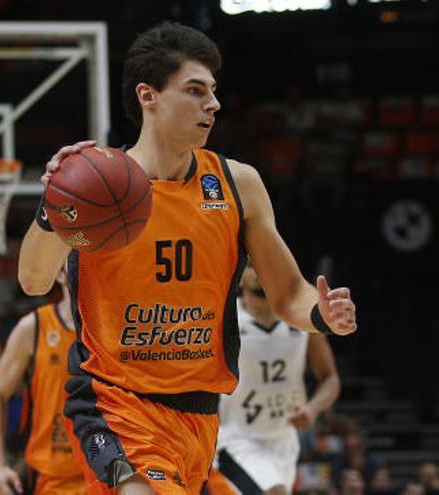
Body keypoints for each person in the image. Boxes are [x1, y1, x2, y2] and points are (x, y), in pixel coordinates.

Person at [18, 21, 358, 495]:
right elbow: (34, 280)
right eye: (195, 91)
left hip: (198, 414)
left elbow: (288, 295)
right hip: (113, 403)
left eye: (214, 92)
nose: (213, 104)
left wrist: (323, 314)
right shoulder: (96, 186)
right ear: (148, 96)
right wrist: (55, 202)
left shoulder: (239, 185)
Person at [212, 264, 340, 494]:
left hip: (284, 439)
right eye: (253, 265)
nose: (262, 271)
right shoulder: (225, 320)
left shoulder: (302, 321)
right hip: (237, 438)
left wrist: (312, 409)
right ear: (241, 280)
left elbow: (330, 379)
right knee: (275, 491)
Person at [0, 269, 86, 495]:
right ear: (59, 273)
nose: (83, 263)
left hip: (109, 474)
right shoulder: (33, 327)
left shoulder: (116, 327)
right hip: (50, 477)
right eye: (74, 257)